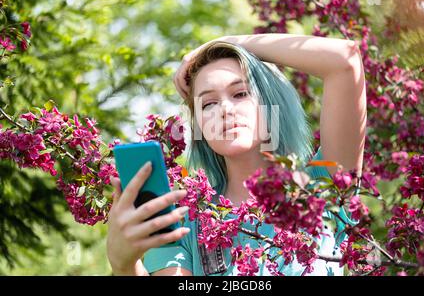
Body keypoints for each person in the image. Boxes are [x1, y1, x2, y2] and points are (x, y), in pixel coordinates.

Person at [106, 33, 367, 276]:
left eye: (240, 93)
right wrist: (125, 264)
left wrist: (224, 42)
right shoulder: (183, 221)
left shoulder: (323, 188)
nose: (225, 110)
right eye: (208, 103)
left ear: (271, 105)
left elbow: (344, 60)